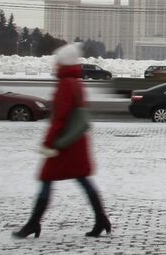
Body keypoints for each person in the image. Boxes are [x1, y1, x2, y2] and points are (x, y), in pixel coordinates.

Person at [12, 43, 112, 239]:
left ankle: (33, 223)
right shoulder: (75, 82)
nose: (54, 65)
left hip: (63, 143)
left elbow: (60, 118)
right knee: (81, 179)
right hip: (75, 142)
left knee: (46, 179)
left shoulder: (66, 84)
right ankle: (101, 219)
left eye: (57, 62)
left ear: (63, 63)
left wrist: (48, 142)